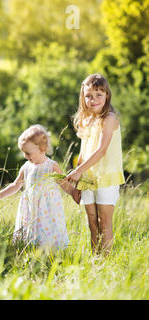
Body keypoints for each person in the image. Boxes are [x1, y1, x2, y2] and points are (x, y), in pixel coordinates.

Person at [0, 125, 80, 249]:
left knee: (47, 230)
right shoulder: (26, 167)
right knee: (30, 230)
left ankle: (50, 250)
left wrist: (74, 193)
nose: (25, 156)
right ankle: (29, 248)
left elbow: (64, 184)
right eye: (23, 152)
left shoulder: (51, 166)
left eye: (28, 153)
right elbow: (16, 185)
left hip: (48, 208)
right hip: (30, 206)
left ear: (42, 148)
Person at [65, 73, 124, 255]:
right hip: (88, 178)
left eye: (99, 94)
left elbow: (101, 150)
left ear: (107, 95)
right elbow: (83, 153)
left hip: (106, 177)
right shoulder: (86, 120)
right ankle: (95, 261)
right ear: (83, 97)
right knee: (92, 223)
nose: (94, 99)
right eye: (89, 95)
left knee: (104, 223)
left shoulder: (109, 119)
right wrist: (77, 185)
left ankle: (105, 262)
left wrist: (77, 171)